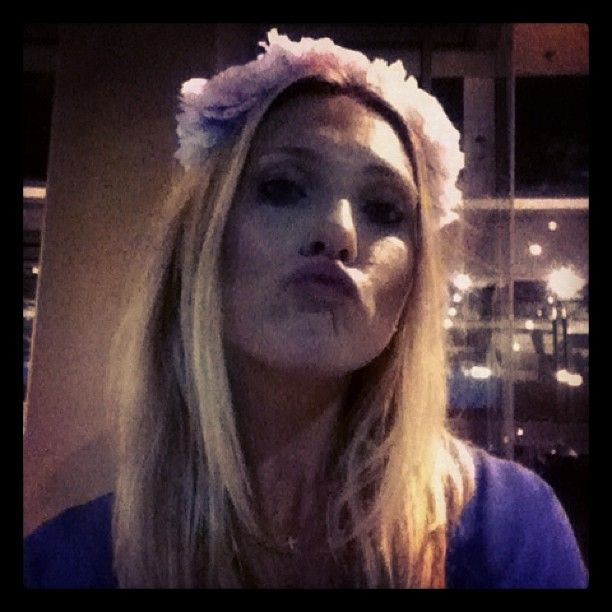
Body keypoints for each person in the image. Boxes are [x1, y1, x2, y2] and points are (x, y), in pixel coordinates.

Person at [23, 29, 588, 589]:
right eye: (284, 187)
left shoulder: (511, 530)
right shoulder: (62, 564)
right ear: (203, 245)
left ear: (414, 284)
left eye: (384, 208)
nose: (338, 232)